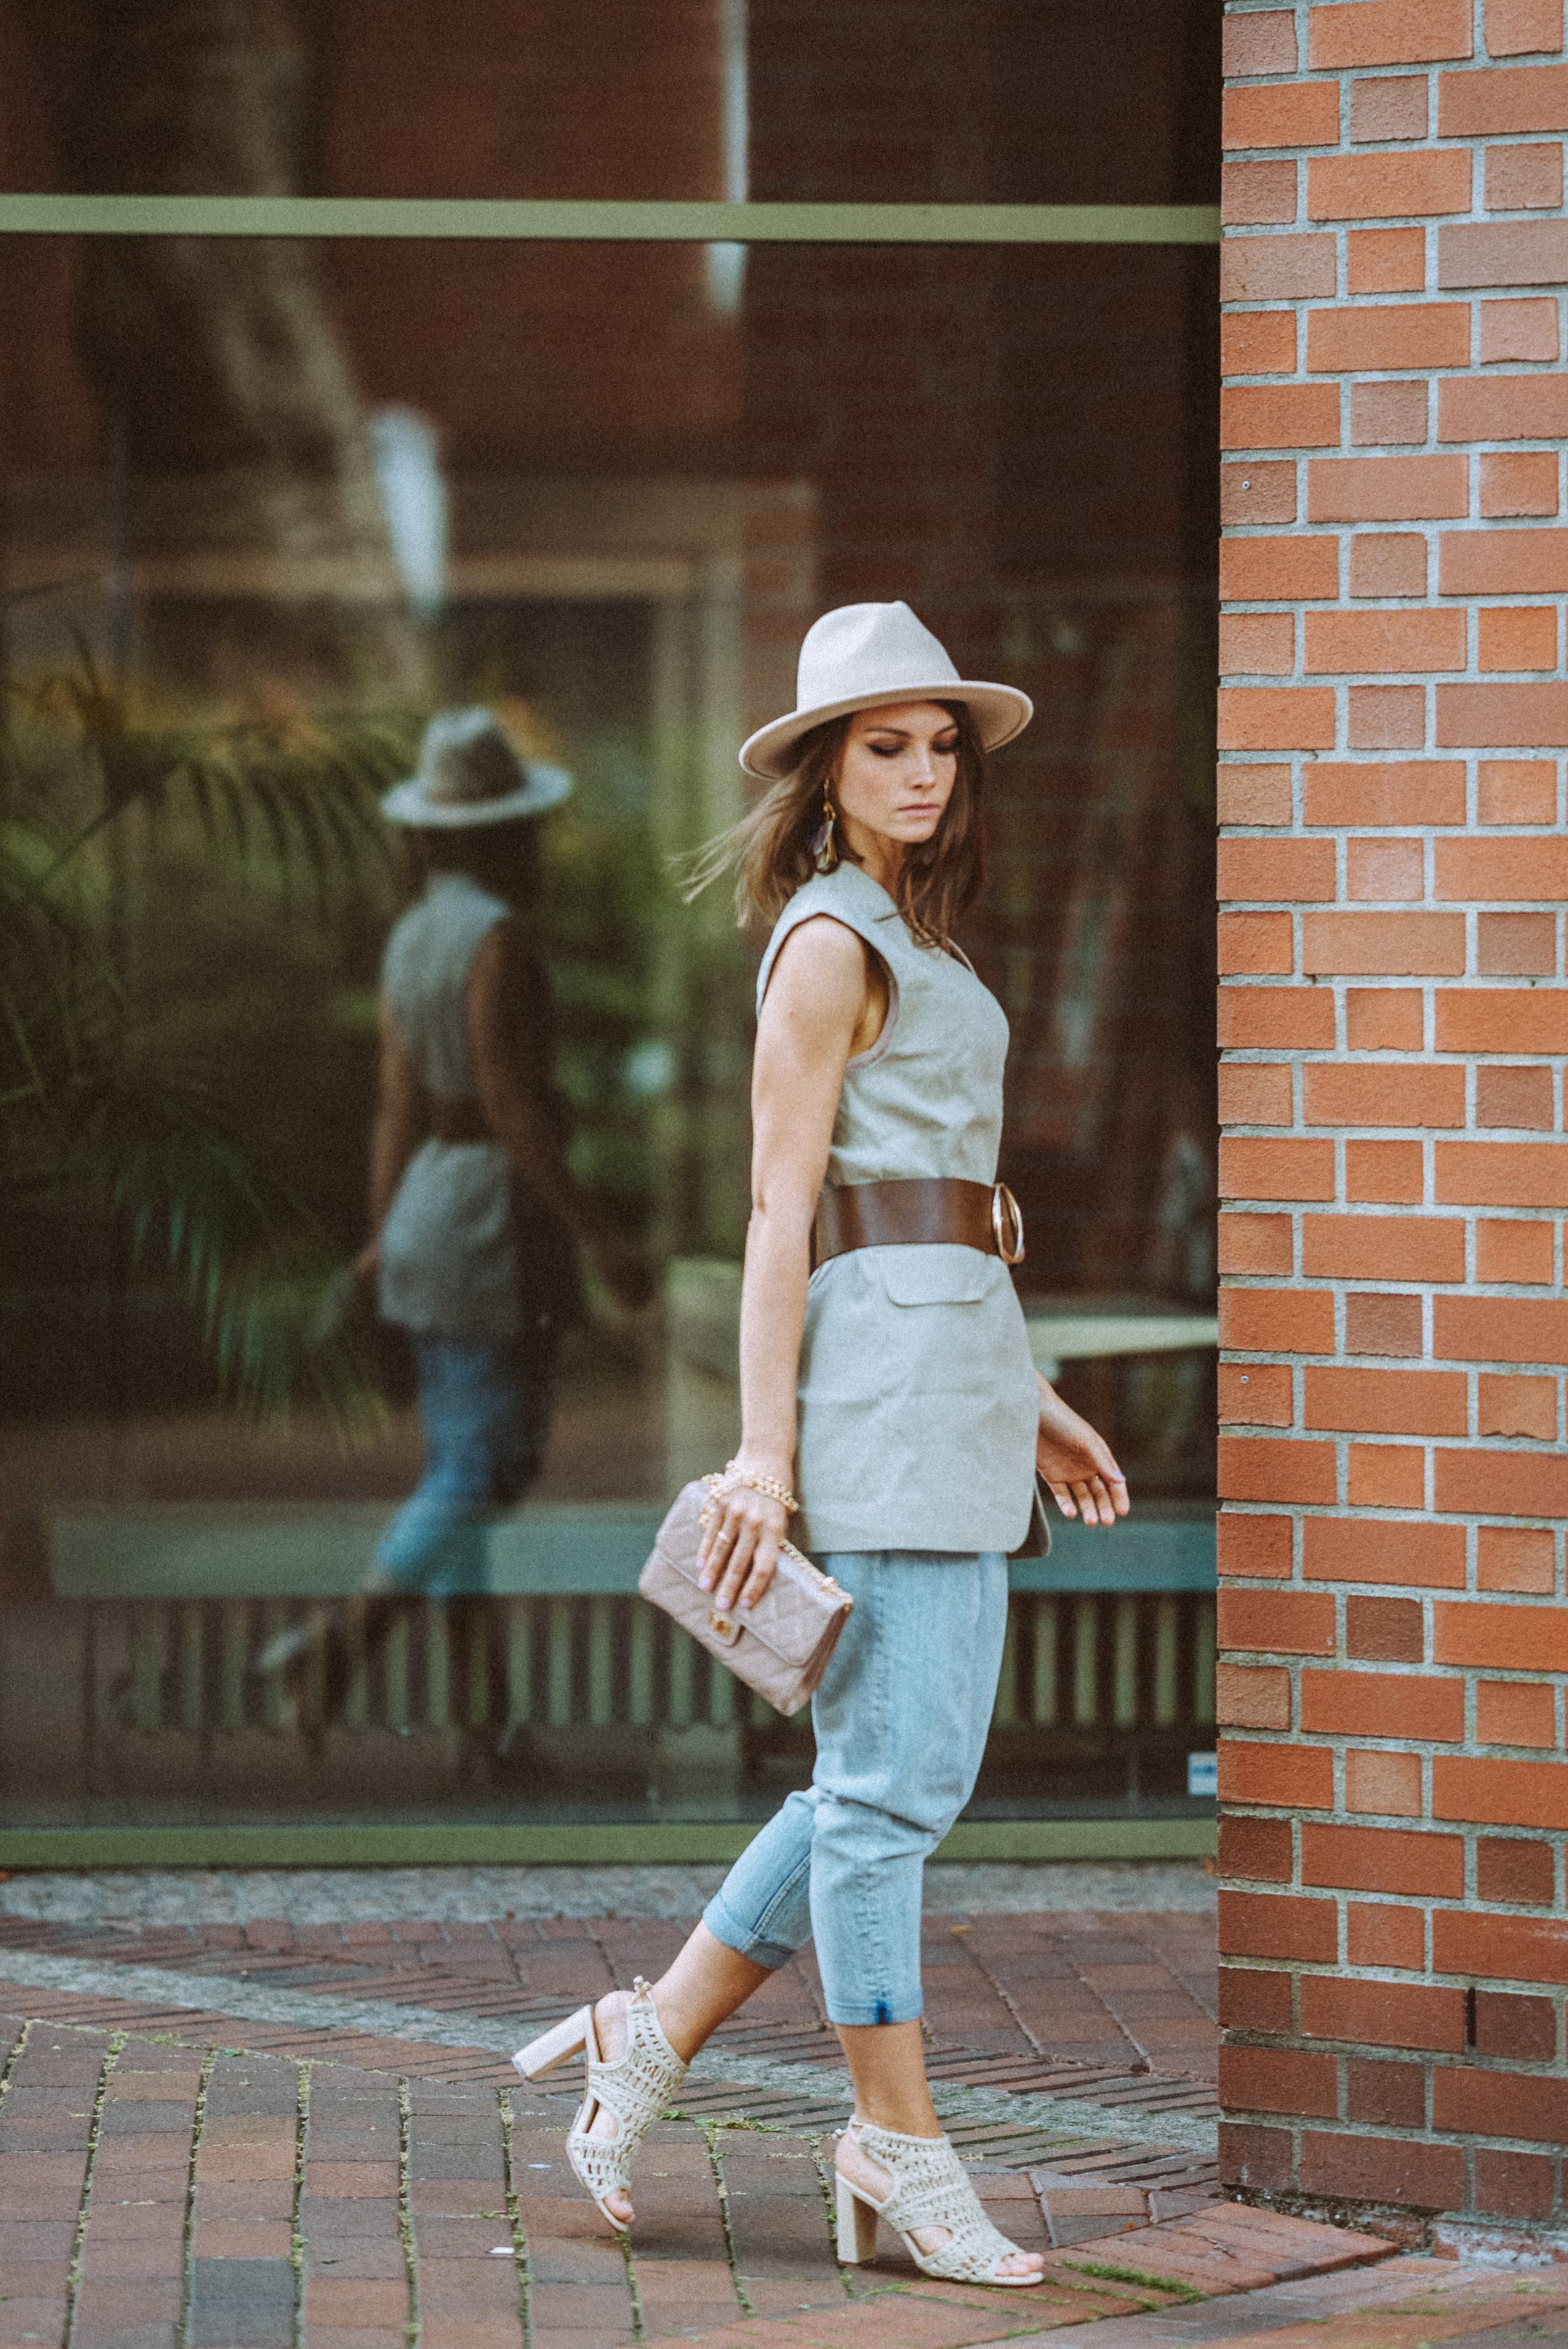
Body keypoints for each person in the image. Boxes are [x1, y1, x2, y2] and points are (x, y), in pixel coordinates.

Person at [513, 605, 1129, 2287]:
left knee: (884, 1780)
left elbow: (932, 1209)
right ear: (822, 767)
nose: (926, 772)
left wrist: (1029, 1388)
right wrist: (761, 1454)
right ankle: (896, 2148)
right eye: (888, 745)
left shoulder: (909, 935)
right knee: (892, 1791)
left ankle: (647, 2038)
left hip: (953, 1373)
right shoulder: (829, 943)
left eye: (940, 744)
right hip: (876, 1397)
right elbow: (785, 1214)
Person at [262, 709, 652, 1708]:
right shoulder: (498, 938)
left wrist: (384, 1231)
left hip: (431, 1208)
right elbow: (513, 1107)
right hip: (487, 1225)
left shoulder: (412, 935)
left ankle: (485, 1724)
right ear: (507, 829)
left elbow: (399, 1101)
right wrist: (602, 1238)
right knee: (487, 1465)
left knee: (461, 1471)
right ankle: (345, 1633)